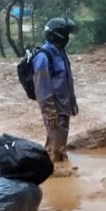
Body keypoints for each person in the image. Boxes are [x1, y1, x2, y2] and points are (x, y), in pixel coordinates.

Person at [33, 17, 78, 162]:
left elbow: (67, 80)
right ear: (59, 35)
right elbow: (42, 88)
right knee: (56, 152)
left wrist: (73, 103)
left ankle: (52, 172)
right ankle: (56, 176)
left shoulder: (61, 53)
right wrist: (50, 113)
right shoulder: (44, 57)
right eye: (66, 34)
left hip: (63, 108)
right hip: (54, 111)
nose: (67, 38)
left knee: (56, 146)